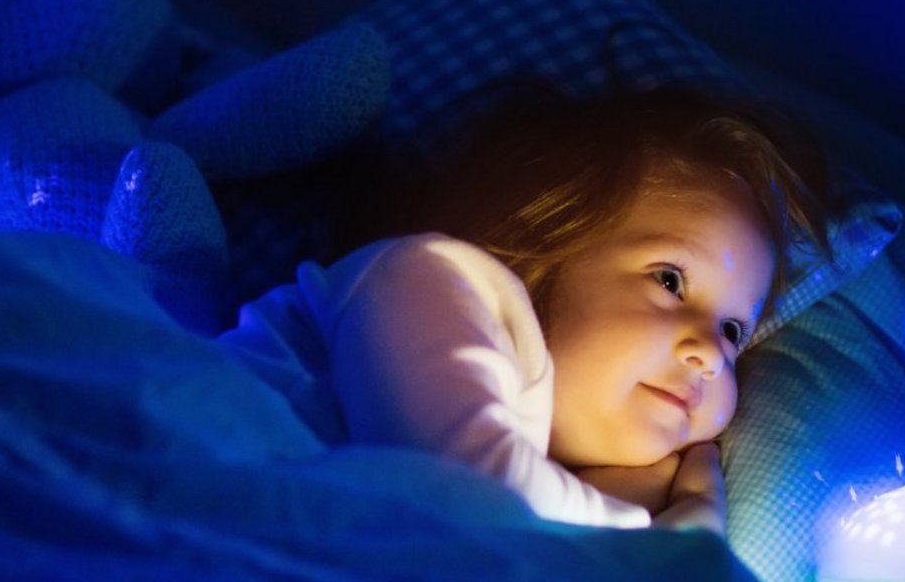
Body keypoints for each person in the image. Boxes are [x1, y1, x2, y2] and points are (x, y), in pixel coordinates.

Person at [227, 86, 834, 532]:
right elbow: (471, 500)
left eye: (734, 330)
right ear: (546, 239)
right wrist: (671, 528)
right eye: (670, 279)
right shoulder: (428, 277)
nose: (709, 355)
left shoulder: (560, 465)